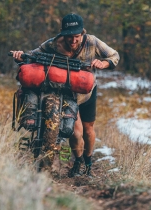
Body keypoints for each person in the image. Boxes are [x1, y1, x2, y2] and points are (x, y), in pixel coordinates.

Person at [11, 13, 119, 177]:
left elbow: (114, 56)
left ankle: (88, 163)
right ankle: (78, 161)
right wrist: (20, 55)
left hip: (87, 92)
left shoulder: (92, 41)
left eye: (76, 36)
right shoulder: (53, 44)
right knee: (76, 132)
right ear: (62, 34)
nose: (73, 40)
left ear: (82, 33)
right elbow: (32, 56)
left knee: (88, 130)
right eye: (69, 36)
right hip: (68, 93)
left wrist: (103, 63)